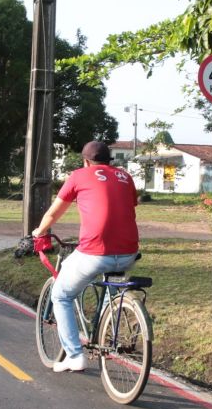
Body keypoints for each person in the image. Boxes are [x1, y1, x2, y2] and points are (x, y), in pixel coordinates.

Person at [31, 140, 140, 372]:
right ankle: (111, 315)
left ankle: (74, 355)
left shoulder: (79, 176)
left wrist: (38, 232)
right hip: (129, 252)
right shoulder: (125, 177)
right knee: (109, 278)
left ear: (85, 160)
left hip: (95, 253)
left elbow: (53, 213)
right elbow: (126, 207)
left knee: (61, 295)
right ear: (109, 161)